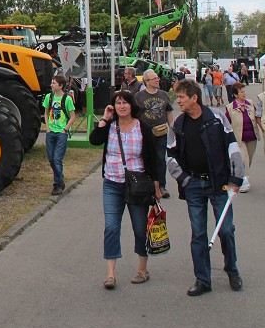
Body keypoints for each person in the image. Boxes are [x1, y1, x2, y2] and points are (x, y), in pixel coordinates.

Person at [167, 80, 244, 295]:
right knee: (198, 233)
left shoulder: (216, 118)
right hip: (193, 185)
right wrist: (183, 178)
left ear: (194, 98)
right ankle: (202, 279)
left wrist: (235, 179)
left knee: (226, 230)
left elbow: (232, 147)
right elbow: (170, 155)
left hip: (219, 183)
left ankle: (232, 270)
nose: (178, 101)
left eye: (181, 97)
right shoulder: (178, 125)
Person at [89, 90, 160, 289]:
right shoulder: (110, 127)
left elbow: (153, 159)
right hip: (112, 183)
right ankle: (111, 274)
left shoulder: (143, 128)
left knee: (139, 228)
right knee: (111, 227)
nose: (121, 106)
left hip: (137, 185)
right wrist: (104, 118)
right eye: (118, 103)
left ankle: (142, 269)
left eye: (125, 103)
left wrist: (156, 184)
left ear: (132, 105)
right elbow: (94, 140)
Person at [135, 70, 174, 198]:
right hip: (144, 134)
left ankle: (161, 186)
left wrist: (172, 128)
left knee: (160, 159)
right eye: (154, 79)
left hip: (161, 132)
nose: (157, 80)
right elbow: (135, 115)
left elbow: (168, 112)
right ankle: (147, 184)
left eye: (157, 78)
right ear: (147, 82)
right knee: (144, 158)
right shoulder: (139, 97)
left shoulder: (164, 95)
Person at [43, 73, 76, 196]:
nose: (51, 85)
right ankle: (59, 177)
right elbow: (46, 113)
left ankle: (57, 185)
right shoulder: (49, 97)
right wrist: (47, 127)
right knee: (51, 159)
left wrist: (65, 129)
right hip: (50, 132)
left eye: (54, 83)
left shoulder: (67, 99)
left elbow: (73, 116)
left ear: (60, 85)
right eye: (52, 82)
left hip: (61, 132)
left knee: (57, 159)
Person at [225, 81, 260, 192]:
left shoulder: (250, 103)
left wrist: (263, 129)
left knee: (248, 160)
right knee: (244, 160)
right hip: (239, 138)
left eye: (244, 91)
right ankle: (244, 182)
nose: (244, 93)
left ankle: (241, 177)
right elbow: (226, 123)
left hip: (252, 137)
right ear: (235, 95)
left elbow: (257, 117)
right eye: (241, 92)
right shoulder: (230, 108)